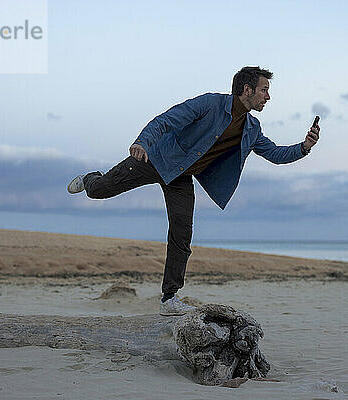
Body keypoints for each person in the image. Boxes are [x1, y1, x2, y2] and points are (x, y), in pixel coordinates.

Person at [67, 66, 320, 316]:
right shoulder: (210, 104)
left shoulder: (251, 128)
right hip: (154, 158)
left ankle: (169, 298)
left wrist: (305, 147)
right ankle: (91, 178)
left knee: (182, 234)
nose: (268, 96)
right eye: (264, 90)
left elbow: (274, 153)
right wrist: (142, 141)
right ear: (247, 89)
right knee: (99, 191)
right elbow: (167, 120)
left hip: (181, 177)